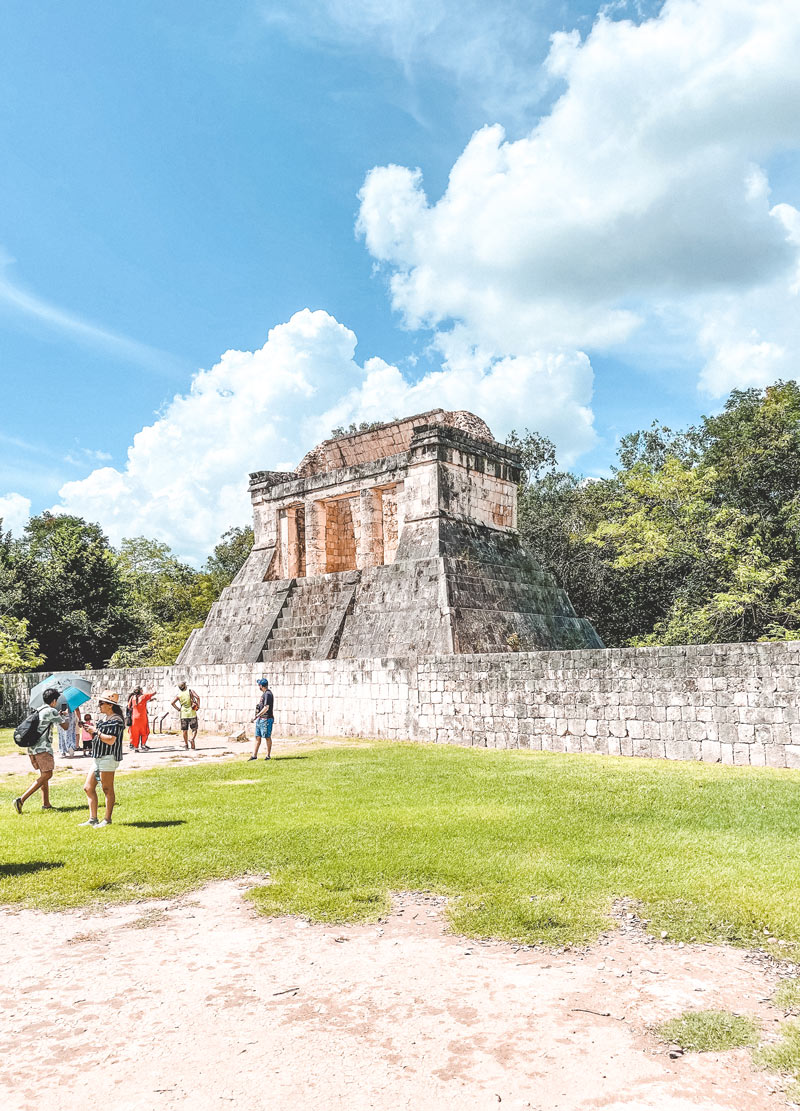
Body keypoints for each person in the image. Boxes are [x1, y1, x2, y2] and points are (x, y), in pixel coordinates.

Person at [12, 688, 70, 813]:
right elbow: (65, 726)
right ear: (54, 700)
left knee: (44, 775)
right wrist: (66, 716)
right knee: (47, 774)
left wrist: (57, 715)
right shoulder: (51, 711)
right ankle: (21, 800)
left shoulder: (40, 709)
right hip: (43, 748)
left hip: (32, 748)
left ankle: (46, 804)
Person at [79, 690, 125, 828]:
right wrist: (91, 730)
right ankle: (93, 818)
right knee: (88, 787)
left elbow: (111, 740)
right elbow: (99, 736)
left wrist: (95, 732)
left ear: (110, 705)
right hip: (98, 757)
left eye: (102, 703)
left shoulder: (116, 720)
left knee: (107, 788)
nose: (99, 706)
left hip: (108, 757)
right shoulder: (105, 719)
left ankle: (107, 819)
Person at [249, 678, 274, 761]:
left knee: (267, 737)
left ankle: (268, 755)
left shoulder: (267, 694)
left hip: (266, 719)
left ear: (261, 686)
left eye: (259, 684)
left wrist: (257, 716)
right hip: (260, 719)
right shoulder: (264, 694)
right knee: (257, 737)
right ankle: (254, 755)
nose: (258, 686)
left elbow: (266, 707)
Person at [171, 681, 199, 749]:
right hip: (192, 713)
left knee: (184, 730)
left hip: (183, 714)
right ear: (185, 686)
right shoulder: (190, 691)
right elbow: (198, 697)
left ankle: (186, 745)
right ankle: (192, 739)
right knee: (194, 728)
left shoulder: (179, 695)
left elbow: (172, 703)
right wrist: (198, 705)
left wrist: (178, 709)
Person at [127, 686, 156, 751]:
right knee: (144, 732)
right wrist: (152, 687)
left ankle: (135, 747)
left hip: (134, 718)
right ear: (140, 691)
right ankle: (143, 745)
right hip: (142, 718)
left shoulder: (132, 697)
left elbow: (129, 707)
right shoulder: (144, 696)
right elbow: (154, 693)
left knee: (135, 733)